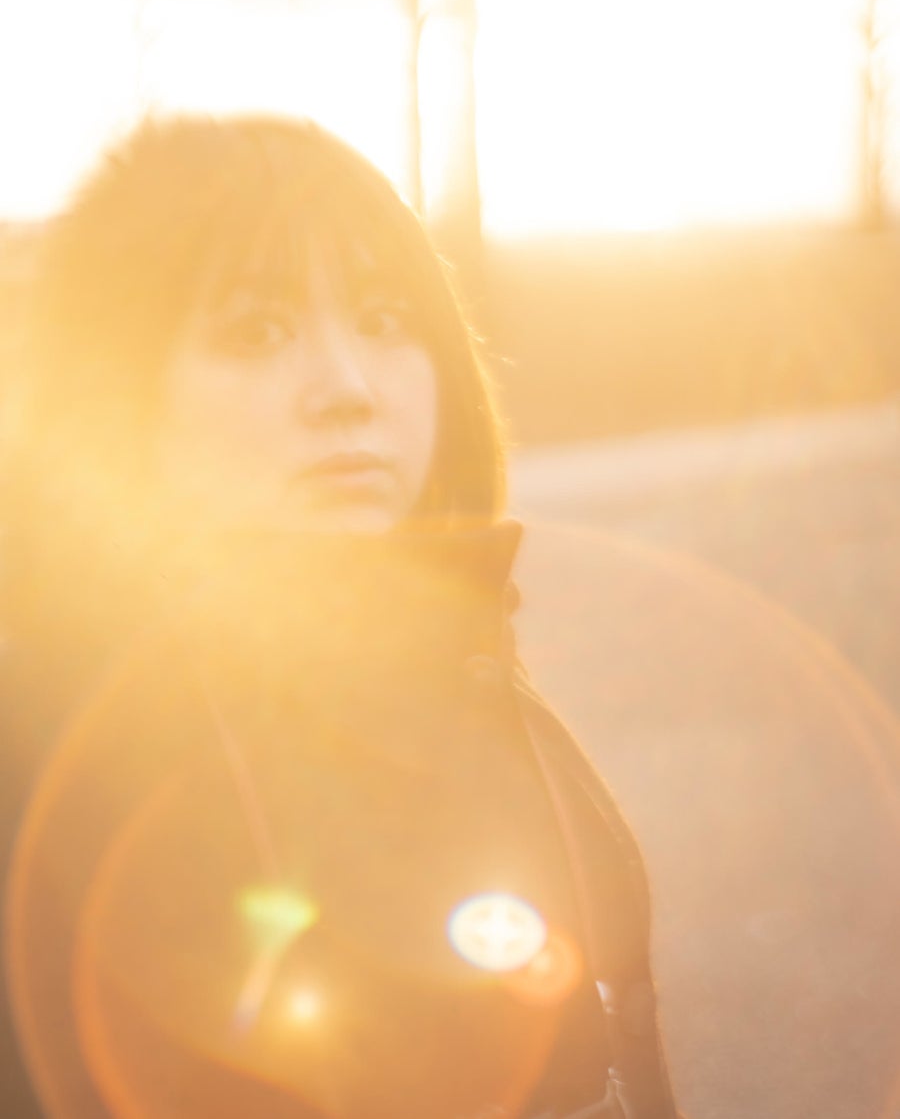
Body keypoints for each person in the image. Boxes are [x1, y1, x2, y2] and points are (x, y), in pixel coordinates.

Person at [1, 115, 682, 1119]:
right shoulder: (49, 754)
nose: (349, 391)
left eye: (385, 320)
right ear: (115, 395)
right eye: (257, 333)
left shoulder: (467, 663)